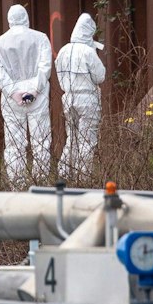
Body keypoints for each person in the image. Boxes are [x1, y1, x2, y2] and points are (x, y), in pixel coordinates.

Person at [0, 4, 53, 187]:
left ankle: (17, 183)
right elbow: (45, 66)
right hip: (37, 94)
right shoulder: (40, 38)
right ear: (26, 17)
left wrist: (12, 91)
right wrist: (34, 89)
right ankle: (40, 182)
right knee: (40, 138)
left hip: (12, 97)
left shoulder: (0, 42)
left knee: (14, 141)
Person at [55, 12, 106, 180]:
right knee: (87, 140)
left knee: (72, 138)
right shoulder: (88, 52)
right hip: (87, 98)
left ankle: (64, 173)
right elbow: (100, 76)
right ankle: (82, 177)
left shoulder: (63, 50)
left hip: (68, 97)